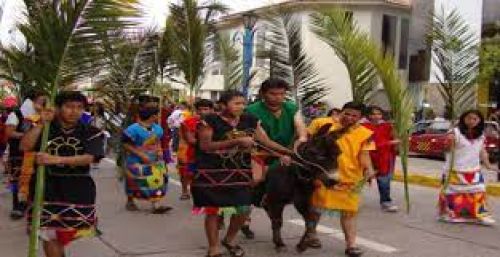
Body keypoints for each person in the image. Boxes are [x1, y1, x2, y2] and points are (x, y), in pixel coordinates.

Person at [192, 90, 291, 257]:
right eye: (236, 103)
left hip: (240, 171)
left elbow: (265, 142)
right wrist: (237, 141)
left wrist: (287, 152)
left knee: (244, 209)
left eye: (243, 103)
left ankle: (229, 239)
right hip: (211, 171)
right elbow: (205, 146)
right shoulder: (208, 120)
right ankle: (213, 247)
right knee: (213, 211)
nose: (241, 107)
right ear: (222, 105)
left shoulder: (249, 120)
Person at [21, 91, 105, 257]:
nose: (75, 111)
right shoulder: (45, 129)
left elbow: (90, 158)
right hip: (46, 188)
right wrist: (41, 124)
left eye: (79, 107)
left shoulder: (91, 131)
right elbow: (25, 146)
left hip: (78, 191)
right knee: (50, 236)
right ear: (58, 108)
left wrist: (54, 159)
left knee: (65, 234)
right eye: (69, 107)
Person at [308, 102, 376, 257]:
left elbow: (364, 155)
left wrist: (369, 170)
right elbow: (308, 143)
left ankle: (351, 245)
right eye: (347, 113)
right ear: (341, 111)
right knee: (315, 208)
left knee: (349, 213)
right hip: (324, 175)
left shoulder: (365, 133)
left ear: (360, 118)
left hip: (350, 178)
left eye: (355, 116)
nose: (350, 118)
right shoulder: (323, 125)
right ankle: (311, 234)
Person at [245, 78, 308, 239]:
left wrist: (301, 140)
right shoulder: (251, 110)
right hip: (260, 154)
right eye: (273, 94)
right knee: (255, 180)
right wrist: (285, 153)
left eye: (281, 94)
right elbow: (263, 140)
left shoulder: (291, 107)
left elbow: (301, 128)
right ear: (263, 94)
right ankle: (244, 214)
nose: (278, 97)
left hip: (287, 153)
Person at [439, 110, 498, 225]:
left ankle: (480, 215)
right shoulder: (455, 132)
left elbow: (482, 151)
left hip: (473, 170)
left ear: (479, 121)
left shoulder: (481, 135)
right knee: (452, 194)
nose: (471, 121)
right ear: (463, 119)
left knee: (479, 191)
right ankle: (450, 214)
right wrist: (449, 142)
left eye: (475, 119)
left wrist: (488, 165)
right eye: (469, 118)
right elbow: (445, 150)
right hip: (455, 170)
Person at [122, 96, 171, 214]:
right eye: (156, 115)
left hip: (154, 160)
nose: (158, 117)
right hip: (135, 161)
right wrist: (140, 154)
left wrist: (160, 152)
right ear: (152, 116)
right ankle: (130, 201)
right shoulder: (132, 129)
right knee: (134, 181)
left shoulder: (158, 129)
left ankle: (156, 205)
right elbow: (125, 144)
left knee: (157, 180)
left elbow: (157, 141)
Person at [5, 92, 48, 220]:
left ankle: (30, 206)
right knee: (17, 180)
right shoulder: (17, 114)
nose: (43, 104)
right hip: (18, 154)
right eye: (42, 101)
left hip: (34, 154)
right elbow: (9, 132)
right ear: (33, 101)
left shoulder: (42, 116)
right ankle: (17, 205)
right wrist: (29, 136)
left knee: (32, 181)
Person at [362, 106, 399, 212]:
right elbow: (369, 144)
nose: (376, 116)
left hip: (384, 157)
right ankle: (348, 199)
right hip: (368, 156)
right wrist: (389, 143)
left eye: (378, 114)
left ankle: (386, 202)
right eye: (373, 114)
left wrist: (396, 132)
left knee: (384, 181)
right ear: (368, 115)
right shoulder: (363, 127)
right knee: (358, 179)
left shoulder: (387, 126)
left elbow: (395, 138)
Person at [178, 99, 214, 200]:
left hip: (210, 151)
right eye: (200, 109)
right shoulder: (188, 122)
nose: (202, 112)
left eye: (206, 109)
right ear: (196, 110)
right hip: (191, 152)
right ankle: (185, 191)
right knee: (188, 173)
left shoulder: (216, 121)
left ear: (211, 110)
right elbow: (190, 140)